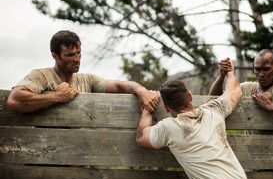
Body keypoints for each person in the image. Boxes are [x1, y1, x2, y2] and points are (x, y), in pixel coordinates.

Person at [136, 58, 260, 179]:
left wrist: (148, 107)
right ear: (190, 96)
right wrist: (229, 72)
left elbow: (141, 137)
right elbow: (235, 90)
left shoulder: (169, 127)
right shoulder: (214, 110)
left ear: (167, 108)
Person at [6, 30, 160, 113]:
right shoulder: (41, 76)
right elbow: (14, 100)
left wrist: (141, 91)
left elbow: (120, 86)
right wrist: (57, 97)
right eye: (70, 55)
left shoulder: (88, 80)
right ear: (55, 56)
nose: (77, 59)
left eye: (79, 53)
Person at [209, 49, 273, 125]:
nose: (261, 74)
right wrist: (222, 75)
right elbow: (215, 99)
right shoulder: (247, 88)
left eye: (266, 69)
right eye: (257, 69)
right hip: (249, 148)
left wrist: (270, 106)